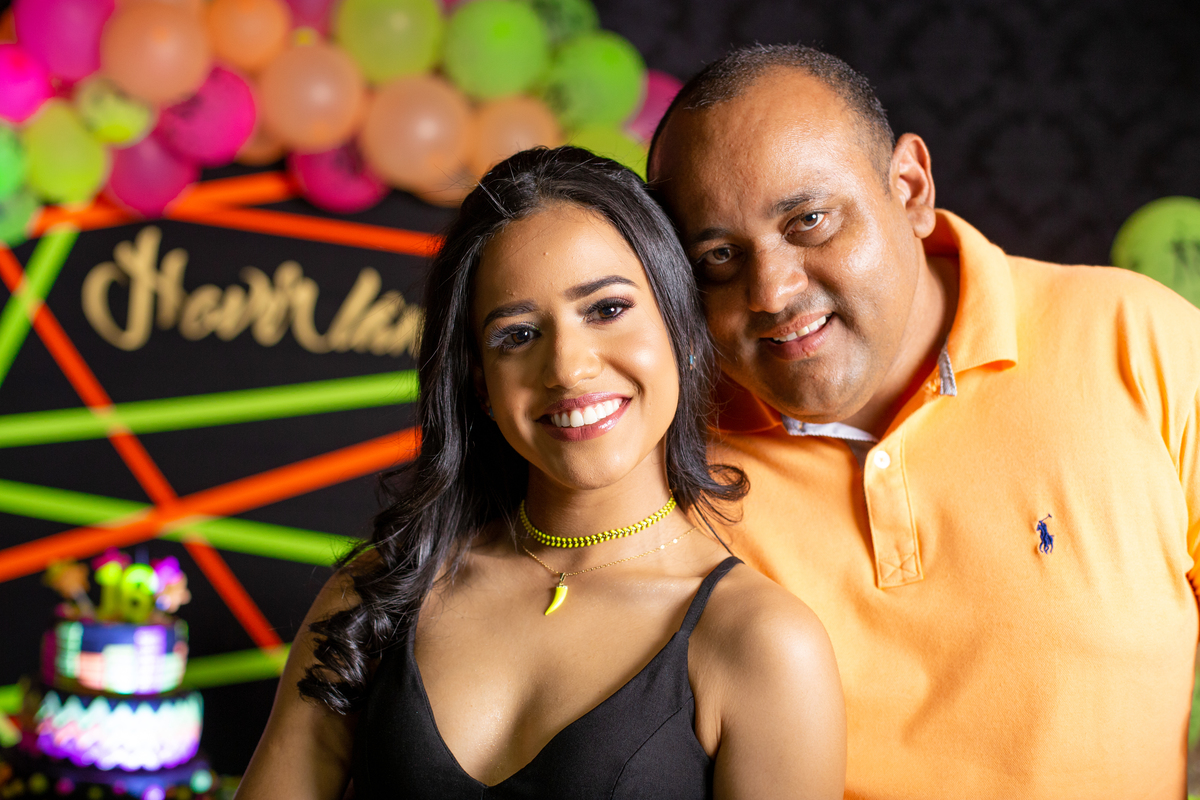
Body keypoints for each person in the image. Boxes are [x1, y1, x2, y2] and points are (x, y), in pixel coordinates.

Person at [647, 42, 1200, 799]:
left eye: (809, 220)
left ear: (909, 188)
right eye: (718, 257)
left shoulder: (1143, 340)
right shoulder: (666, 453)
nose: (771, 291)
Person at [235, 146, 845, 800]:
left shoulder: (764, 643)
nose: (568, 369)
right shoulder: (377, 594)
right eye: (518, 335)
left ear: (683, 331)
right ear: (481, 385)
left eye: (607, 309)